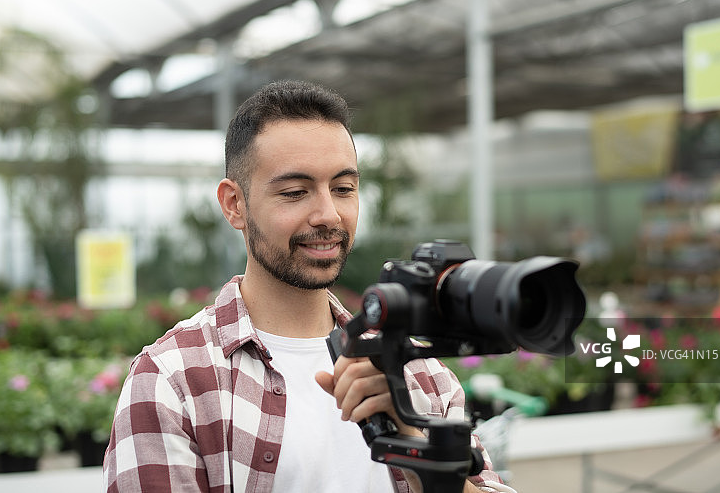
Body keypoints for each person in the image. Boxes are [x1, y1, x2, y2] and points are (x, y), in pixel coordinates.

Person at [103, 80, 515, 493]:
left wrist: (416, 448)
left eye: (343, 189)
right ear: (234, 204)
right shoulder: (174, 382)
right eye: (296, 192)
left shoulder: (420, 374)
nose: (328, 214)